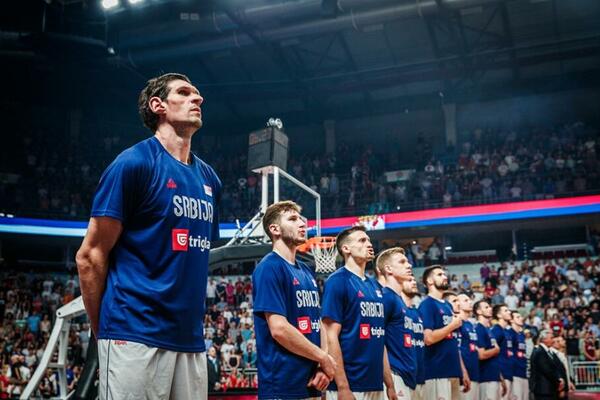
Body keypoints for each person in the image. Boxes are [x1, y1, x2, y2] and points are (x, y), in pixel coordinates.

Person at [76, 73, 221, 400]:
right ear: (158, 105)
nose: (197, 99)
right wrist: (106, 333)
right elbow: (89, 256)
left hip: (190, 340)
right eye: (184, 93)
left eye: (197, 94)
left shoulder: (210, 178)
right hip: (134, 334)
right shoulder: (133, 164)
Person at [252, 201, 336, 399]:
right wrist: (323, 357)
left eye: (301, 219)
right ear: (275, 229)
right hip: (282, 386)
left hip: (311, 381)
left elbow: (318, 324)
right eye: (292, 219)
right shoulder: (269, 267)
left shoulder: (306, 270)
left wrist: (321, 365)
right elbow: (279, 329)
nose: (302, 223)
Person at [322, 226, 394, 400]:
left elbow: (380, 338)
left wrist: (390, 384)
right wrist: (343, 387)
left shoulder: (375, 286)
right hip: (350, 384)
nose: (369, 244)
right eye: (362, 240)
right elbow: (330, 336)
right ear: (346, 249)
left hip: (375, 383)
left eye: (369, 240)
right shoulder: (337, 281)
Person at [418, 266, 464, 400]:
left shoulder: (447, 305)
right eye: (439, 274)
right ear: (429, 281)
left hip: (452, 370)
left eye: (444, 274)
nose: (445, 277)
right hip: (437, 371)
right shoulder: (427, 304)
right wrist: (452, 326)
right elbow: (428, 338)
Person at [378, 247, 417, 399]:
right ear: (388, 269)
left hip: (407, 375)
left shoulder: (399, 300)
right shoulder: (386, 297)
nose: (409, 265)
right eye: (402, 262)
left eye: (407, 261)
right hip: (395, 374)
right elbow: (379, 340)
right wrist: (389, 383)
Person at [474, 300, 505, 400]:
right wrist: (496, 350)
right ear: (478, 311)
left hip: (494, 375)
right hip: (486, 377)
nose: (490, 309)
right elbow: (481, 355)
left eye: (489, 307)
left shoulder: (488, 329)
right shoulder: (479, 328)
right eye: (486, 307)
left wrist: (500, 377)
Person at [530, 330, 565, 400]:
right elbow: (547, 370)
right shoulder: (539, 352)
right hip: (543, 390)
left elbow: (557, 367)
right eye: (551, 338)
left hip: (549, 390)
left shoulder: (549, 352)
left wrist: (560, 379)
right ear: (544, 339)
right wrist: (558, 381)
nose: (553, 340)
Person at [457, 294, 480, 400]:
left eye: (470, 300)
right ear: (458, 304)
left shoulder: (471, 325)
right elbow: (457, 350)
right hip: (463, 376)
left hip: (475, 374)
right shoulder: (457, 322)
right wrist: (464, 372)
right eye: (466, 300)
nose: (470, 302)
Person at [491, 304, 513, 400]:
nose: (509, 312)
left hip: (509, 372)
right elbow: (493, 352)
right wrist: (500, 375)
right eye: (506, 310)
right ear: (499, 315)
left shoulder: (506, 331)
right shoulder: (496, 330)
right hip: (501, 373)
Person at [509, 311, 529, 400]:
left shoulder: (521, 335)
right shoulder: (509, 333)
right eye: (517, 317)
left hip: (523, 372)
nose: (521, 318)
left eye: (520, 316)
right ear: (511, 320)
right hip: (514, 373)